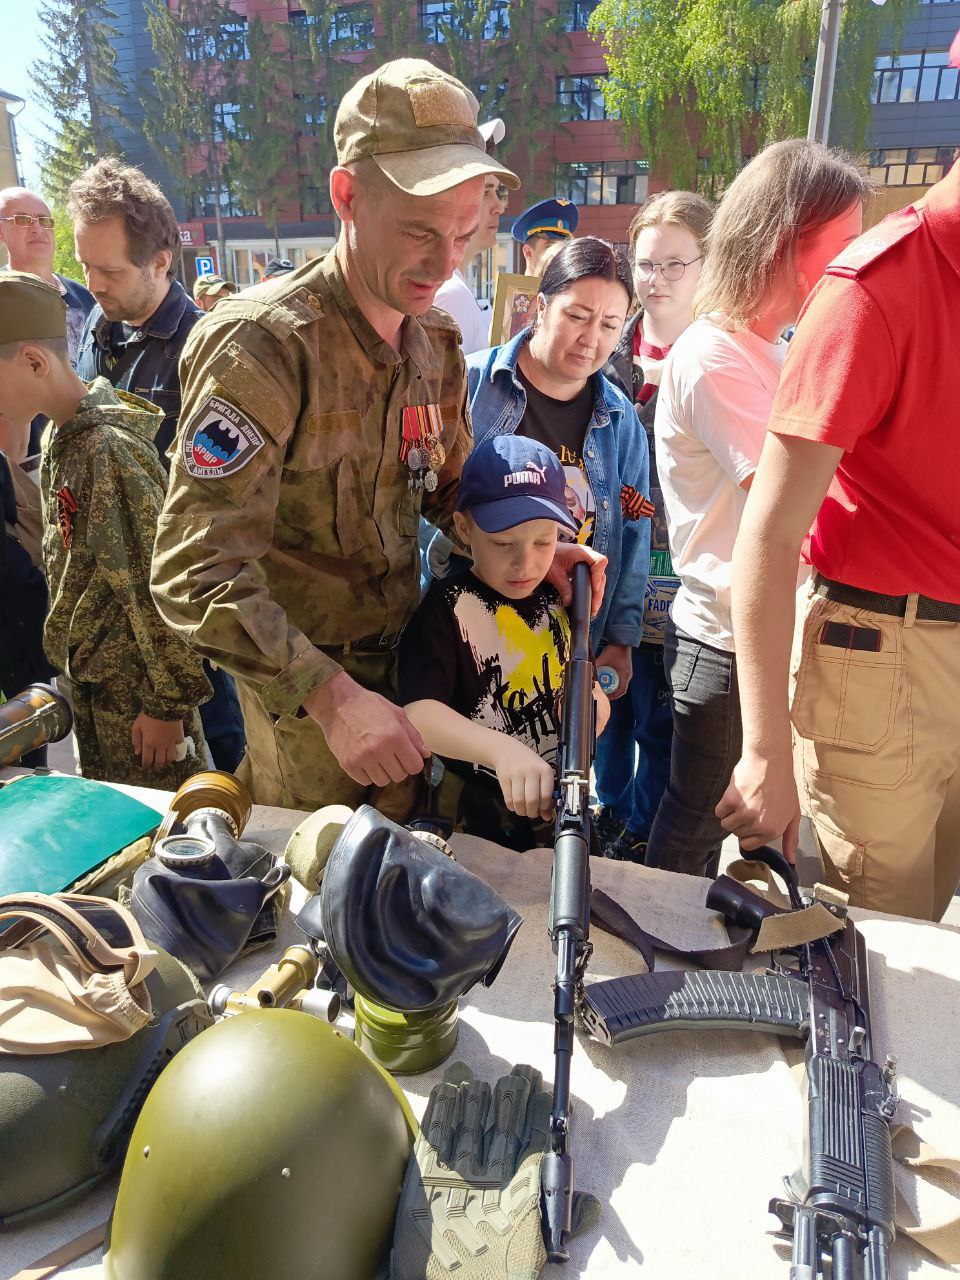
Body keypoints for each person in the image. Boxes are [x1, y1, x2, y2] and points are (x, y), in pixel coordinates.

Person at [151, 59, 607, 818]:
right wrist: (330, 700)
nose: (443, 262)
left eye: (464, 234)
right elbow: (192, 565)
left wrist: (523, 543)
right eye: (421, 232)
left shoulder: (433, 343)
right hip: (310, 714)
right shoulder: (264, 348)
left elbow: (453, 484)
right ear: (346, 196)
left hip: (419, 678)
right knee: (320, 894)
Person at [717, 154, 960, 922]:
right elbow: (771, 530)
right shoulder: (876, 286)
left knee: (933, 937)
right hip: (888, 649)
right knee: (888, 945)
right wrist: (765, 752)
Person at [644, 139, 866, 880]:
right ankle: (647, 963)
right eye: (841, 246)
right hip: (724, 641)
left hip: (749, 636)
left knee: (739, 825)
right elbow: (800, 506)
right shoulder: (714, 357)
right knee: (699, 823)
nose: (852, 268)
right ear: (780, 243)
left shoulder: (764, 346)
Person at [69, 157, 246, 773]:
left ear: (162, 263)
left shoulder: (203, 355)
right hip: (116, 635)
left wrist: (168, 696)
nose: (92, 282)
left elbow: (205, 537)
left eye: (108, 269)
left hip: (186, 647)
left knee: (214, 794)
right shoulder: (101, 326)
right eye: (84, 266)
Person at [0, 271, 211, 786]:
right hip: (98, 692)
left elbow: (159, 582)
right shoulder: (61, 438)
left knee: (166, 839)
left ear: (33, 361)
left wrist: (167, 704)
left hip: (139, 705)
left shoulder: (107, 451)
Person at [466, 236, 650, 753]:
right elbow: (432, 513)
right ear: (541, 305)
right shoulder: (473, 386)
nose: (591, 339)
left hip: (567, 643)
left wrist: (620, 639)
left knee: (555, 796)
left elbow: (634, 532)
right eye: (578, 315)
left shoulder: (619, 419)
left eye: (610, 325)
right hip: (470, 632)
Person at [400, 435, 609, 849]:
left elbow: (590, 689)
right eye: (502, 544)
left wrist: (590, 714)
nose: (526, 562)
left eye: (544, 542)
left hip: (560, 820)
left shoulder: (558, 597)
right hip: (474, 826)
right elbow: (419, 714)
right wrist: (500, 751)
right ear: (464, 528)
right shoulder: (447, 608)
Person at [595, 189, 714, 862]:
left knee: (666, 723)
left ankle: (642, 826)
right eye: (646, 263)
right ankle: (609, 811)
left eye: (676, 264)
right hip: (617, 573)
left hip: (689, 583)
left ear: (708, 264)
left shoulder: (727, 355)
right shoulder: (610, 349)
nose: (657, 279)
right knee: (612, 706)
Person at [0, 186, 96, 457]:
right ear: (0, 232)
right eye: (22, 219)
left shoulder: (87, 298)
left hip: (88, 439)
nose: (36, 228)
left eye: (45, 220)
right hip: (24, 456)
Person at [434, 118, 507, 355]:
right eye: (485, 193)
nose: (499, 207)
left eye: (497, 191)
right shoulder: (451, 295)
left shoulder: (454, 289)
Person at [511, 197, 579, 276]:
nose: (557, 255)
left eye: (563, 249)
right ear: (528, 253)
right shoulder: (509, 288)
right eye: (549, 248)